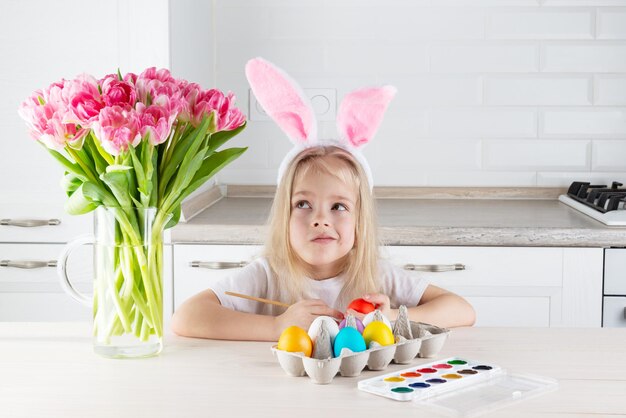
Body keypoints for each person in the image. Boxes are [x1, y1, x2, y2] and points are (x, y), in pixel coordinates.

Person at [171, 58, 475, 341]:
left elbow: (462, 310)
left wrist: (392, 317)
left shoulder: (375, 274)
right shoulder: (268, 274)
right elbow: (185, 318)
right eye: (303, 204)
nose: (320, 219)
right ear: (284, 216)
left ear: (359, 221)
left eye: (338, 206)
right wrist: (277, 326)